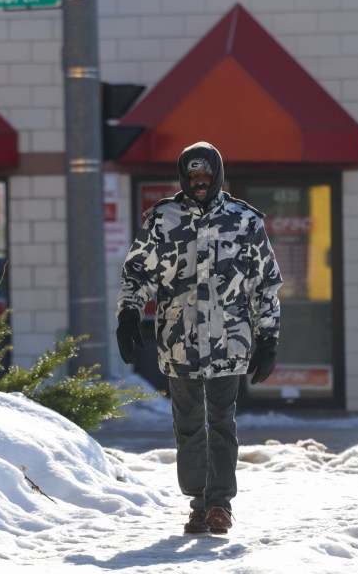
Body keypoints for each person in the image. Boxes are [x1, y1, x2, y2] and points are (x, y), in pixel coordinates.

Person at [115, 141, 282, 535]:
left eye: (206, 176)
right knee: (188, 425)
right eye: (193, 177)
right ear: (184, 179)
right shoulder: (163, 219)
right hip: (179, 342)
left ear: (218, 176)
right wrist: (127, 314)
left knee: (222, 421)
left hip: (230, 342)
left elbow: (265, 286)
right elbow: (138, 275)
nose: (200, 183)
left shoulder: (245, 221)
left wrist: (269, 338)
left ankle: (220, 504)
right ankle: (197, 504)